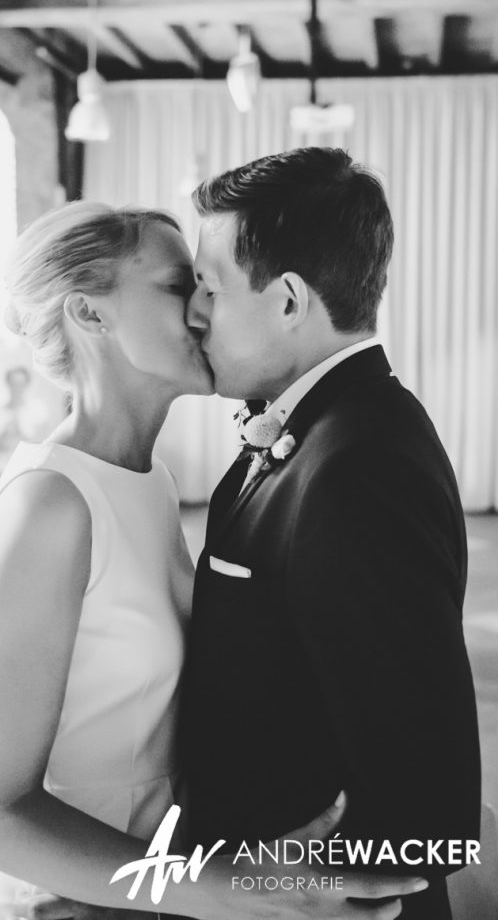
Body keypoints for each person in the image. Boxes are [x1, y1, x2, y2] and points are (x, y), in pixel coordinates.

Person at [0, 201, 425, 920]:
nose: (206, 310)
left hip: (161, 884)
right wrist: (225, 891)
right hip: (68, 903)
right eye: (180, 287)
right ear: (91, 314)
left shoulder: (153, 478)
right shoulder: (48, 505)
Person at [181, 147, 481, 919]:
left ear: (286, 300)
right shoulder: (332, 427)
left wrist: (292, 887)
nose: (195, 312)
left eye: (210, 288)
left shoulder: (361, 464)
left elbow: (429, 782)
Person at [0, 366, 51, 504]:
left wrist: (22, 436)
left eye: (20, 384)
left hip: (29, 462)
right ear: (8, 384)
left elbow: (46, 443)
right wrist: (2, 437)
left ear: (26, 385)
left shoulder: (37, 411)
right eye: (13, 383)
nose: (17, 388)